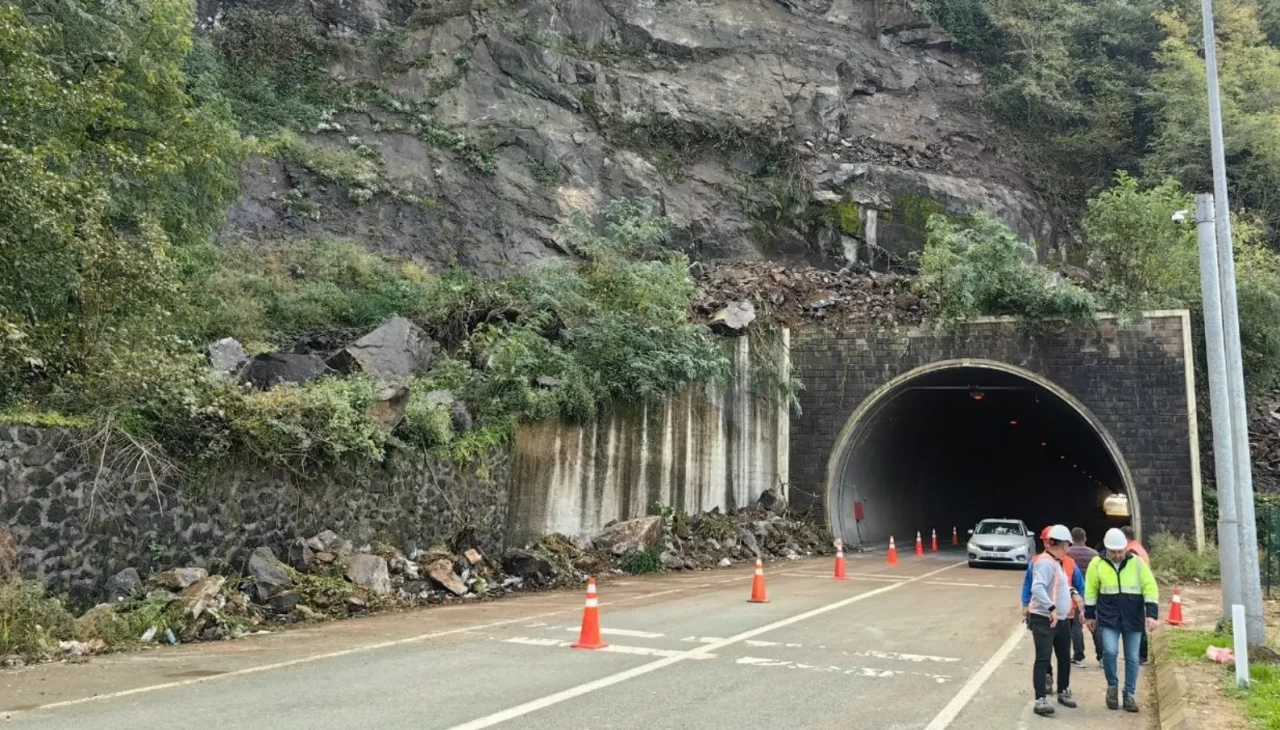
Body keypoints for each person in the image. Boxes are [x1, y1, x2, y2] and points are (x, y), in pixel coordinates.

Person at [1085, 528, 1159, 713]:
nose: (1117, 555)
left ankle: (1129, 694)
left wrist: (1151, 614)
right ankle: (1112, 687)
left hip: (1133, 616)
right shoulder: (1096, 564)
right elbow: (1090, 590)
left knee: (1132, 656)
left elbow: (1150, 587)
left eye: (1120, 551)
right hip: (1108, 616)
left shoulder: (1137, 563)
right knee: (1109, 651)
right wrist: (1089, 614)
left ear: (1126, 548)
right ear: (1106, 549)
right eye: (1113, 552)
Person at [1028, 524, 1077, 716]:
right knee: (1043, 658)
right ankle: (1040, 699)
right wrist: (1051, 608)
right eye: (1067, 545)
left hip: (1061, 619)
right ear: (1063, 544)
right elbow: (1037, 587)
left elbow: (1062, 585)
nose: (1068, 548)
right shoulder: (1045, 563)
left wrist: (1074, 594)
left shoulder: (1057, 563)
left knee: (1064, 657)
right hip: (1044, 618)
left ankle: (1063, 690)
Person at [1065, 528, 1100, 667]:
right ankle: (1102, 657)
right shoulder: (1094, 555)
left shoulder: (1066, 554)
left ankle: (1079, 657)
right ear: (1085, 538)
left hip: (1074, 595)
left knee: (1076, 627)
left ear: (1071, 539)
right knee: (1095, 625)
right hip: (1092, 594)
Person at [1120, 526, 1151, 664]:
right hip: (1139, 589)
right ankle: (1138, 654)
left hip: (1136, 592)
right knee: (1138, 622)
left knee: (1137, 624)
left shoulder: (1132, 551)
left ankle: (1141, 655)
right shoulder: (1137, 547)